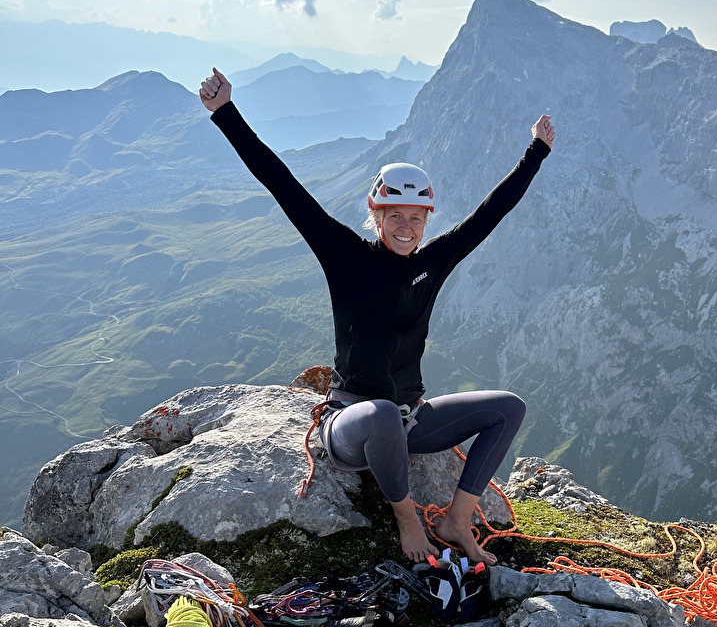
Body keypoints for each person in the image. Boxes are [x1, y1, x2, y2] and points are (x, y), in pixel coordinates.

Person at [199, 67, 555, 565]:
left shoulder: (433, 263)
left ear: (427, 218)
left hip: (410, 421)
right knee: (382, 412)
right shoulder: (346, 257)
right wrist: (225, 114)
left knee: (508, 407)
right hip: (351, 424)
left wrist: (536, 151)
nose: (406, 228)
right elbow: (284, 185)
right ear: (376, 214)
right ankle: (407, 519)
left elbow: (490, 213)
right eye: (395, 216)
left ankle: (457, 519)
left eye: (416, 217)